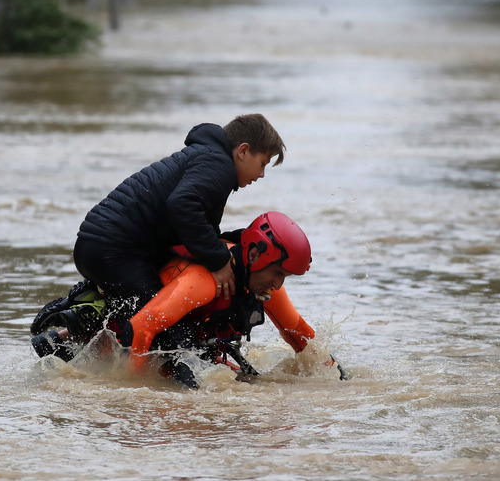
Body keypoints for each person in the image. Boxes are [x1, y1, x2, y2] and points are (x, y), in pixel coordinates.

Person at [31, 211, 349, 388]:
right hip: (134, 334)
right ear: (253, 254)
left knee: (240, 382)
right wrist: (136, 390)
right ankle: (63, 338)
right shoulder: (204, 282)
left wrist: (340, 377)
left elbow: (300, 335)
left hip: (180, 342)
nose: (279, 284)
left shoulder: (263, 284)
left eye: (286, 277)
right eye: (278, 273)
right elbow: (140, 330)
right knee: (192, 376)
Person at [63, 113, 287, 336]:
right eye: (263, 164)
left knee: (147, 317)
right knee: (161, 329)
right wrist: (218, 261)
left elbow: (202, 227)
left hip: (100, 246)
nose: (261, 174)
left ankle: (65, 338)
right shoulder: (218, 164)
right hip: (114, 250)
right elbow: (182, 205)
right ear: (244, 151)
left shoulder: (210, 159)